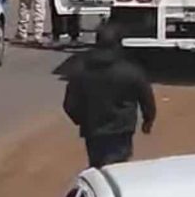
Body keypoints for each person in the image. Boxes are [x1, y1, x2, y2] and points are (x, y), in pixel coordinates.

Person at [63, 22, 156, 168]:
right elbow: (146, 99)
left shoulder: (81, 70)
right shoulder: (131, 71)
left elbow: (69, 105)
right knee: (117, 168)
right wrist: (147, 121)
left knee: (98, 167)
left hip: (93, 131)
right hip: (122, 130)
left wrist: (83, 120)